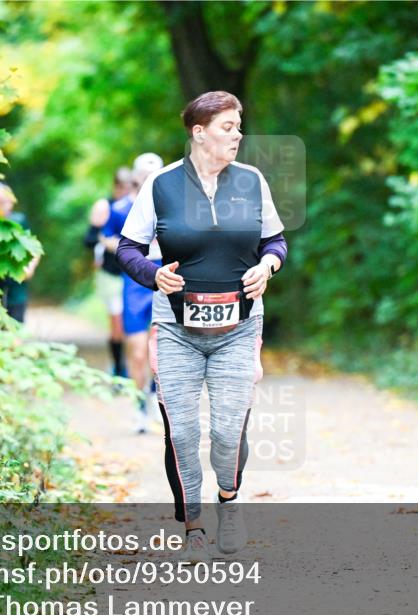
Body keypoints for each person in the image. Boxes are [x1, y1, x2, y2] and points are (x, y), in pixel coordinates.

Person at [116, 91, 288, 563]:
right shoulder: (161, 185)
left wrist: (267, 266)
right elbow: (128, 249)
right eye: (227, 127)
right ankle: (193, 524)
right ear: (199, 132)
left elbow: (275, 241)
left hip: (239, 325)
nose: (237, 135)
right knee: (182, 433)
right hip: (176, 327)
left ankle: (228, 501)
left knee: (228, 432)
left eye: (238, 126)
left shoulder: (252, 181)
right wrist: (155, 275)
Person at [104, 153, 165, 434]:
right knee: (138, 351)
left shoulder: (172, 205)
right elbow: (106, 236)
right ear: (136, 176)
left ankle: (155, 398)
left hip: (166, 276)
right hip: (135, 280)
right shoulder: (120, 208)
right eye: (144, 174)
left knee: (161, 349)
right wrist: (129, 249)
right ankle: (140, 406)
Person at [86, 168, 133, 377]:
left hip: (133, 274)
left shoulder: (137, 206)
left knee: (133, 323)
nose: (125, 191)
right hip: (111, 272)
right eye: (121, 187)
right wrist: (105, 241)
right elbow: (89, 239)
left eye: (129, 186)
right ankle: (119, 368)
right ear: (115, 186)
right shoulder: (105, 206)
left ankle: (133, 366)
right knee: (117, 322)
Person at [0, 182, 39, 323]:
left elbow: (34, 249)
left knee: (16, 330)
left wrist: (29, 268)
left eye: (8, 201)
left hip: (16, 289)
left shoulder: (19, 221)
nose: (5, 206)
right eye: (0, 202)